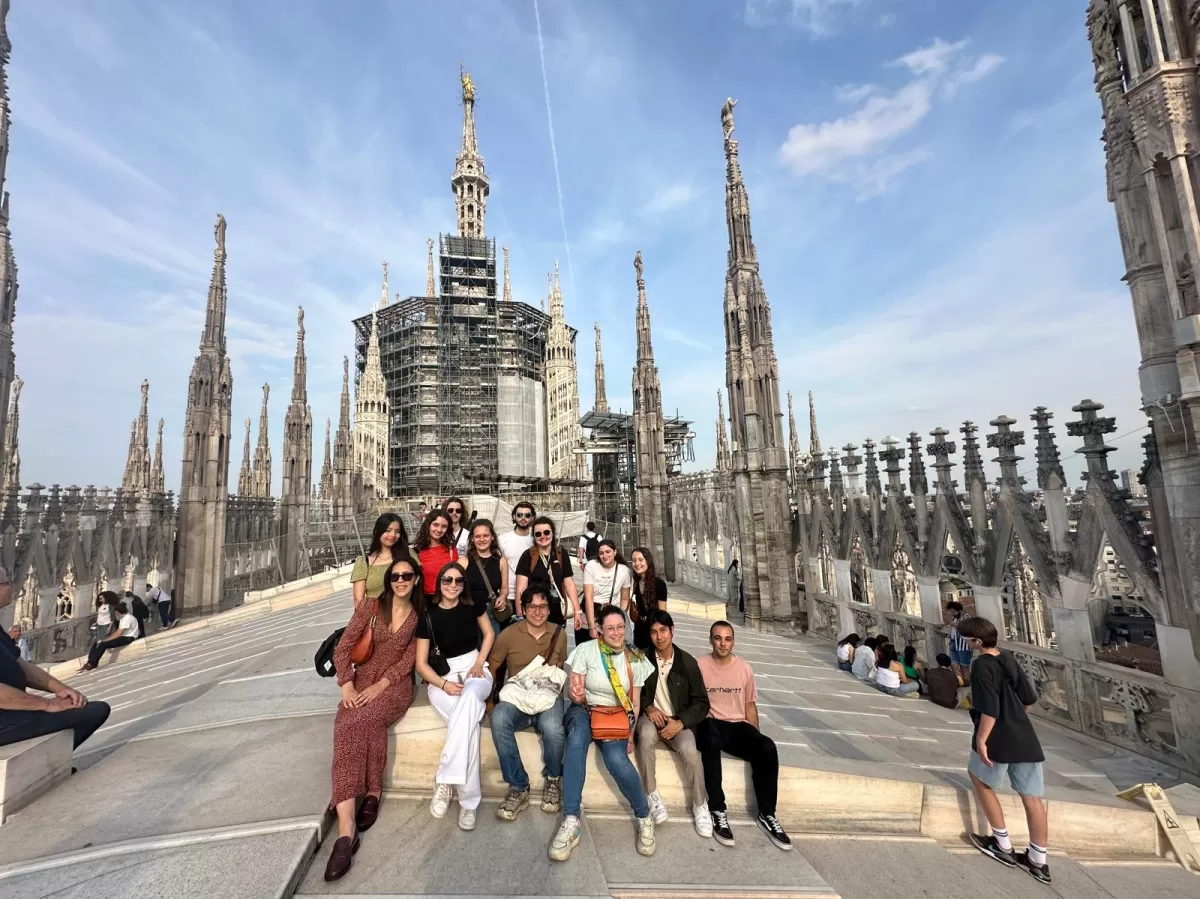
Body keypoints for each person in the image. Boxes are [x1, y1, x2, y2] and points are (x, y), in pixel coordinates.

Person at [325, 556, 421, 882]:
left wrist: (383, 683)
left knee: (369, 719)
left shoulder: (418, 617)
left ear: (416, 580)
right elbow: (343, 648)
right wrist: (347, 684)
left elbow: (408, 662)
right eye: (396, 576)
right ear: (389, 579)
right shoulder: (370, 607)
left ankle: (373, 791)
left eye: (407, 575)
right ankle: (346, 829)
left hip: (394, 687)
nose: (401, 580)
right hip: (361, 681)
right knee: (347, 723)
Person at [551, 605, 656, 861]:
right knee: (575, 745)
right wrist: (574, 693)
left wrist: (630, 733)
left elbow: (635, 700)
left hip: (616, 715)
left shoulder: (635, 656)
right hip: (585, 710)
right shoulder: (586, 650)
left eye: (620, 627)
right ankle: (572, 820)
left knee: (617, 759)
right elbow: (573, 690)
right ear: (599, 629)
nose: (616, 632)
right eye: (610, 628)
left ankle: (644, 816)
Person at [960, 616, 1051, 884]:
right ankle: (1038, 861)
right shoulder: (1007, 657)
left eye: (967, 638)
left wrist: (981, 740)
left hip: (996, 736)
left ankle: (1002, 845)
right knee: (1032, 797)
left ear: (977, 641)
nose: (965, 642)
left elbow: (989, 708)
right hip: (1024, 736)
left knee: (980, 780)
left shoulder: (980, 665)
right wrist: (1016, 719)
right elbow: (1028, 699)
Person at [697, 620, 791, 851]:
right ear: (711, 640)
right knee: (709, 738)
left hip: (737, 724)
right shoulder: (699, 664)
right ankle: (717, 809)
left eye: (727, 639)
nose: (723, 643)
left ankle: (767, 814)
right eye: (718, 638)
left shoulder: (744, 669)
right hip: (710, 723)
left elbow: (750, 705)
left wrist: (755, 738)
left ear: (733, 642)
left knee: (767, 747)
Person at [415, 561, 494, 831]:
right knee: (469, 730)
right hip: (442, 678)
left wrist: (479, 662)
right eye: (447, 580)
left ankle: (445, 779)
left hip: (475, 668)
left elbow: (489, 633)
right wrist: (443, 684)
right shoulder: (428, 615)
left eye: (458, 581)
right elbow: (421, 664)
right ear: (439, 583)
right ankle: (469, 803)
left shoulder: (473, 606)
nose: (453, 585)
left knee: (471, 700)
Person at [0, 565, 110, 749]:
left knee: (87, 708)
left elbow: (21, 664)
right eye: (6, 583)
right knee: (92, 714)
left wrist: (60, 689)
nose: (12, 587)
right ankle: (35, 771)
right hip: (5, 720)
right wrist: (47, 704)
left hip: (12, 713)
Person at [487, 586, 568, 822]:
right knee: (500, 718)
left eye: (543, 606)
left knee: (553, 728)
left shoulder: (559, 634)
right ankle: (518, 786)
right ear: (523, 608)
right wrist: (490, 702)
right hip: (517, 699)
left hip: (547, 698)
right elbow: (492, 669)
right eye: (532, 606)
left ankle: (553, 779)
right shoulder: (509, 635)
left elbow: (558, 670)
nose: (537, 611)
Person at [636, 610, 712, 837]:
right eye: (654, 632)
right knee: (646, 736)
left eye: (663, 631)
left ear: (672, 631)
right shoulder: (643, 658)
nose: (659, 637)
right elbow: (634, 691)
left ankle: (700, 805)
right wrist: (648, 707)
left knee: (690, 750)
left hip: (677, 721)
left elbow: (702, 703)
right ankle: (652, 795)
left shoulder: (687, 663)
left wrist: (681, 722)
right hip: (650, 718)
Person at [515, 516, 583, 632]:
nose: (543, 536)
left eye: (546, 532)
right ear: (534, 537)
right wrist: (520, 616)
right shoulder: (528, 556)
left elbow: (569, 584)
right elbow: (521, 588)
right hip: (535, 609)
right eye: (538, 534)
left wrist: (577, 611)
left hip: (557, 608)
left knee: (555, 644)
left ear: (553, 533)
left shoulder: (561, 554)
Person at [352, 513, 411, 610]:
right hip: (375, 618)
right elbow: (359, 600)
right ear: (378, 532)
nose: (393, 535)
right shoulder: (363, 563)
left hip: (404, 615)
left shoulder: (408, 554)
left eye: (397, 531)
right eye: (388, 530)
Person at [464, 518, 512, 636]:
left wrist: (502, 596)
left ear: (492, 537)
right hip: (470, 611)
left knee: (493, 650)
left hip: (492, 611)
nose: (481, 539)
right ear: (472, 539)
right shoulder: (464, 561)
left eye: (485, 535)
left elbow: (505, 587)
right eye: (477, 536)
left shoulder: (501, 561)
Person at [580, 539, 632, 644]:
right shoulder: (591, 566)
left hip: (609, 613)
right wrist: (591, 627)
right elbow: (588, 598)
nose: (604, 556)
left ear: (615, 552)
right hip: (590, 611)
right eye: (601, 553)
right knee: (587, 648)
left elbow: (625, 598)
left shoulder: (624, 570)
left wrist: (619, 617)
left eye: (608, 552)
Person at [498, 502, 535, 616]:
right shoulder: (502, 539)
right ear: (514, 516)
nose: (523, 518)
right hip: (508, 596)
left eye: (527, 515)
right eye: (519, 515)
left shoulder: (537, 539)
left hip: (531, 595)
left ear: (532, 517)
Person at [414, 511, 460, 602]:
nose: (439, 530)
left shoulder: (451, 549)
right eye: (435, 525)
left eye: (444, 526)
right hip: (426, 601)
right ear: (428, 525)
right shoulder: (417, 551)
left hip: (448, 599)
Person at [81, 601, 140, 671]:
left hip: (129, 638)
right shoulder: (124, 618)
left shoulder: (127, 618)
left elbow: (118, 633)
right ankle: (89, 662)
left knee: (103, 644)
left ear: (118, 612)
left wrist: (105, 640)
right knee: (97, 643)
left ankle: (93, 664)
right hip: (124, 637)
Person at [630, 546, 667, 652]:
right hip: (639, 629)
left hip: (654, 629)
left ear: (648, 561)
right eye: (634, 561)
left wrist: (661, 633)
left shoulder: (659, 583)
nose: (637, 563)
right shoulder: (637, 581)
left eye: (640, 560)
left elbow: (663, 612)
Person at [947, 601, 973, 681]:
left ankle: (967, 683)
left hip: (964, 646)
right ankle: (961, 681)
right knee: (953, 664)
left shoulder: (967, 617)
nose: (952, 613)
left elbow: (966, 629)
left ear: (959, 610)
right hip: (953, 643)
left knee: (964, 666)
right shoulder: (955, 618)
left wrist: (954, 625)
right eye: (950, 611)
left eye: (953, 611)